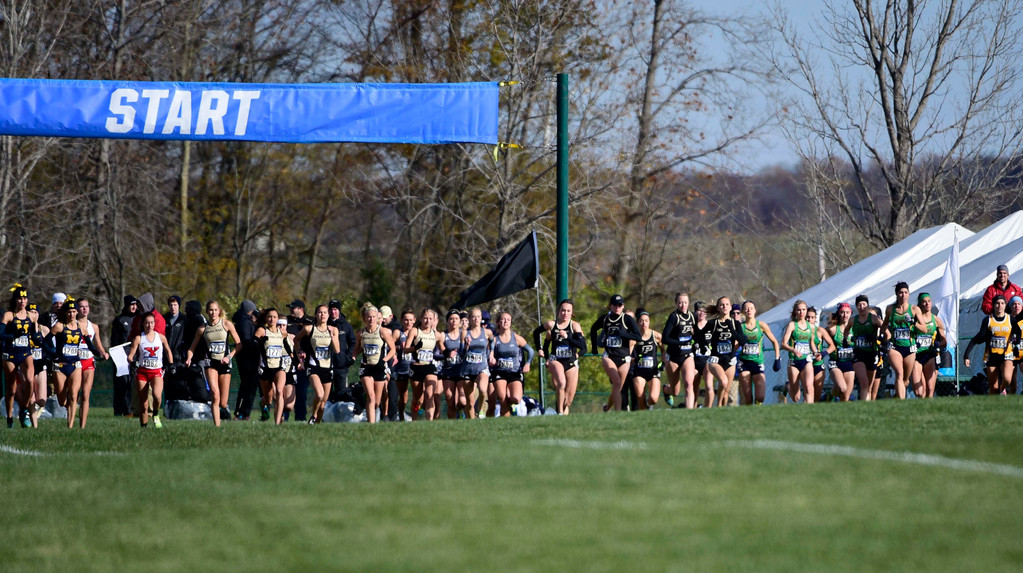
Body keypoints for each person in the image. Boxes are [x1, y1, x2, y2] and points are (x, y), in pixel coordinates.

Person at [185, 300, 242, 426]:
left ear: (219, 311)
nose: (213, 312)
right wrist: (188, 358)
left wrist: (229, 357)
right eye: (211, 310)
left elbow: (239, 345)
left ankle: (223, 412)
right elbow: (192, 348)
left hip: (225, 363)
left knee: (223, 402)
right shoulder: (202, 329)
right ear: (207, 312)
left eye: (215, 310)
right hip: (211, 363)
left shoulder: (226, 324)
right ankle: (217, 426)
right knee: (215, 395)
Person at [50, 298, 100, 429]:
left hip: (76, 365)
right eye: (69, 312)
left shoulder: (83, 328)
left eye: (74, 312)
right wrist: (52, 353)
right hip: (60, 365)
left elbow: (90, 345)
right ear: (65, 313)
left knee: (74, 395)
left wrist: (98, 353)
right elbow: (46, 342)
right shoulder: (59, 326)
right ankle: (67, 405)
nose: (72, 314)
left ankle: (70, 426)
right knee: (62, 401)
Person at [534, 299, 586, 415]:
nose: (565, 313)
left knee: (568, 400)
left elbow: (583, 346)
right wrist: (540, 349)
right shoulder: (552, 325)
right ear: (559, 311)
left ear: (572, 312)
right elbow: (536, 332)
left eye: (568, 311)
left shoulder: (575, 326)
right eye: (563, 310)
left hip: (571, 361)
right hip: (556, 360)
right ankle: (560, 413)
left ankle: (562, 415)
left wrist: (567, 337)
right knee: (561, 383)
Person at [590, 294, 641, 412]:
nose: (617, 307)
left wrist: (624, 334)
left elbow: (638, 336)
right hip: (609, 356)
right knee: (617, 382)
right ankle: (618, 411)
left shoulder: (627, 319)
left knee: (618, 387)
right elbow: (593, 329)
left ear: (623, 306)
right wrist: (594, 348)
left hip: (624, 357)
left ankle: (608, 408)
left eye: (620, 305)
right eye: (614, 305)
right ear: (610, 306)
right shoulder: (605, 319)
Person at [293, 304, 341, 424]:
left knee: (323, 403)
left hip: (328, 368)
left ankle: (317, 424)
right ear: (316, 314)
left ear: (328, 315)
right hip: (313, 367)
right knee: (319, 394)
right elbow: (296, 339)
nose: (322, 315)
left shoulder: (334, 329)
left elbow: (337, 350)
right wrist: (299, 351)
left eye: (325, 312)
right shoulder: (309, 329)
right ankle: (313, 415)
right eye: (320, 312)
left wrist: (332, 336)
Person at [963, 294, 1020, 394]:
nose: (1000, 305)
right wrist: (966, 356)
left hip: (1006, 355)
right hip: (991, 356)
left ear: (1005, 305)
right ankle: (996, 406)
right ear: (993, 305)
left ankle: (1003, 388)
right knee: (993, 387)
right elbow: (977, 338)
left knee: (1007, 379)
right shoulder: (988, 320)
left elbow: (1018, 332)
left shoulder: (1010, 320)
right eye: (997, 303)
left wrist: (1016, 345)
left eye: (1002, 303)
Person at [126, 313, 173, 428]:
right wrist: (132, 362)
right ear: (143, 323)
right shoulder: (139, 338)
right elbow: (130, 355)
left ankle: (156, 414)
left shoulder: (160, 337)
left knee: (157, 396)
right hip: (142, 371)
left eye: (152, 322)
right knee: (144, 404)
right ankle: (144, 427)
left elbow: (168, 351)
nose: (149, 325)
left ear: (154, 324)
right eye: (147, 323)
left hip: (156, 371)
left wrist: (171, 364)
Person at [353, 304, 395, 424]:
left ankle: (370, 414)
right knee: (370, 396)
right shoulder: (361, 333)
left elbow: (393, 349)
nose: (371, 319)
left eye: (373, 317)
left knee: (376, 402)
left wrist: (384, 360)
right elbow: (357, 348)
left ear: (377, 318)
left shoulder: (383, 332)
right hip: (366, 368)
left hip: (379, 367)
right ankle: (371, 425)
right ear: (365, 318)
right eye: (368, 317)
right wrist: (353, 356)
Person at [2, 284, 37, 428]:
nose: (22, 301)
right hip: (10, 354)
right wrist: (12, 335)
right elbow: (0, 334)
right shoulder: (9, 315)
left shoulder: (31, 316)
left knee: (30, 381)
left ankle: (24, 409)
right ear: (15, 300)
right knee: (12, 389)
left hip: (25, 352)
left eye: (24, 298)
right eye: (19, 298)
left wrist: (42, 342)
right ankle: (10, 417)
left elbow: (34, 336)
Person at [736, 300, 782, 405]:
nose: (749, 310)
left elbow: (775, 341)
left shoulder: (761, 325)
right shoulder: (741, 327)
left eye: (751, 308)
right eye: (746, 308)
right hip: (744, 363)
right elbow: (735, 345)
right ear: (743, 311)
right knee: (748, 398)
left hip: (758, 362)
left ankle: (757, 408)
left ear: (755, 310)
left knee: (760, 397)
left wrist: (777, 358)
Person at [489, 311, 533, 417]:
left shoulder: (516, 338)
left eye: (508, 319)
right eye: (503, 319)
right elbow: (488, 353)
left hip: (514, 372)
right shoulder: (494, 339)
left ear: (511, 322)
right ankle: (506, 422)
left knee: (516, 399)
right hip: (499, 372)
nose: (505, 322)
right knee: (503, 399)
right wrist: (491, 358)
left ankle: (511, 402)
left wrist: (528, 363)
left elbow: (530, 351)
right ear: (498, 322)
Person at [75, 297, 110, 428]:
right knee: (73, 394)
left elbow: (98, 345)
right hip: (75, 362)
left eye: (87, 306)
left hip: (89, 362)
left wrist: (104, 353)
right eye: (82, 306)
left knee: (85, 394)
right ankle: (71, 421)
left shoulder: (94, 327)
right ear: (77, 309)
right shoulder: (72, 324)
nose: (84, 309)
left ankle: (82, 426)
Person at [882, 282, 919, 399]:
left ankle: (897, 397)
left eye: (905, 293)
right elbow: (884, 326)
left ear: (909, 294)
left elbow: (924, 328)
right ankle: (902, 404)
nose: (903, 295)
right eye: (901, 293)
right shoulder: (890, 309)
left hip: (909, 347)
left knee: (905, 380)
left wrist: (913, 322)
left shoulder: (914, 309)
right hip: (895, 347)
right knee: (899, 373)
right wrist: (887, 336)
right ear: (896, 294)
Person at [404, 308, 442, 421]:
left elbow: (443, 349)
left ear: (434, 320)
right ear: (421, 318)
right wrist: (416, 347)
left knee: (430, 394)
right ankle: (415, 421)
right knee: (418, 399)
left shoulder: (436, 334)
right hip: (416, 367)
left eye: (430, 318)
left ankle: (429, 423)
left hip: (430, 366)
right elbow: (406, 350)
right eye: (425, 318)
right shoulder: (415, 331)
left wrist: (449, 353)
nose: (427, 321)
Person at [661, 292, 698, 409]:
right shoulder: (674, 317)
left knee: (688, 384)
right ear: (676, 303)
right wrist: (680, 343)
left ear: (688, 303)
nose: (683, 305)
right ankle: (666, 390)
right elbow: (665, 338)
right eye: (680, 302)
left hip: (687, 355)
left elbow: (699, 332)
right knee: (675, 391)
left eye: (685, 302)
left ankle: (689, 412)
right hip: (673, 357)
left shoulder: (692, 316)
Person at [845, 295, 884, 401]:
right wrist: (847, 340)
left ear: (867, 305)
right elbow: (846, 330)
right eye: (859, 305)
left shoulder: (874, 319)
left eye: (864, 304)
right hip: (858, 354)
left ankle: (868, 407)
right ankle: (864, 404)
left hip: (872, 354)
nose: (861, 307)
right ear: (856, 307)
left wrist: (879, 338)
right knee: (864, 383)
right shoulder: (853, 320)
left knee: (869, 387)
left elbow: (886, 331)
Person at [255, 308, 290, 424]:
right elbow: (252, 344)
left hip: (279, 367)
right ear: (266, 318)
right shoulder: (262, 330)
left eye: (274, 317)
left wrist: (295, 356)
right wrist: (259, 342)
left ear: (277, 319)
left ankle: (278, 422)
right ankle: (263, 403)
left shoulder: (282, 333)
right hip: (265, 368)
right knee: (269, 399)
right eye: (269, 317)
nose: (272, 319)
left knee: (280, 391)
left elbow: (288, 347)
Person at [707, 297, 744, 407]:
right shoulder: (712, 323)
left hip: (730, 360)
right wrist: (702, 345)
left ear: (730, 307)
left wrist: (731, 328)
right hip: (716, 360)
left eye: (727, 304)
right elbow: (700, 336)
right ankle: (718, 406)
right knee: (723, 382)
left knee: (726, 392)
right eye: (722, 305)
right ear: (718, 308)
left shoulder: (735, 323)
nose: (724, 306)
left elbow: (742, 340)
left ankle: (721, 409)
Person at [780, 299, 819, 404]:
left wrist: (816, 353)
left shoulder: (811, 327)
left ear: (806, 311)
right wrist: (793, 350)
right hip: (793, 362)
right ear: (795, 312)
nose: (801, 312)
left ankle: (809, 411)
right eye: (799, 310)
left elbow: (811, 344)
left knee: (808, 387)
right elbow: (783, 344)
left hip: (807, 360)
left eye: (803, 309)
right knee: (796, 397)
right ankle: (788, 387)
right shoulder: (792, 325)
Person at [459, 308, 493, 419]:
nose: (476, 319)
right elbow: (461, 355)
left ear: (481, 318)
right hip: (467, 369)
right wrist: (466, 346)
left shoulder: (487, 333)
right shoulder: (464, 333)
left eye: (478, 316)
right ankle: (472, 423)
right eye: (473, 316)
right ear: (469, 319)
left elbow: (492, 342)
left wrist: (491, 354)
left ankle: (481, 410)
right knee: (469, 402)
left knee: (483, 390)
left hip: (481, 367)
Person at [911, 293, 946, 399]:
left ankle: (927, 412)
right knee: (919, 391)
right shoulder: (915, 320)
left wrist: (938, 344)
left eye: (929, 301)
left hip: (930, 355)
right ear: (920, 304)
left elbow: (944, 341)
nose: (927, 304)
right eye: (924, 301)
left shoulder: (936, 320)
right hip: (917, 356)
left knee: (930, 390)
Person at [285, 300, 314, 421]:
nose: (291, 310)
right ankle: (283, 418)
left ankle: (300, 418)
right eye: (290, 307)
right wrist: (287, 335)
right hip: (289, 362)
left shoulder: (310, 321)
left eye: (294, 308)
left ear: (301, 309)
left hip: (306, 362)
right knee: (287, 392)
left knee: (302, 392)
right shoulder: (287, 321)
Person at [630, 309, 664, 409]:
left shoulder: (656, 336)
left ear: (649, 322)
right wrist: (634, 359)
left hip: (653, 371)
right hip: (639, 372)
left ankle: (649, 405)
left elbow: (664, 350)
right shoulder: (634, 338)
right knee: (641, 399)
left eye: (646, 320)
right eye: (641, 321)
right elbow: (628, 356)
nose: (644, 323)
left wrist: (663, 362)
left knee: (653, 399)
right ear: (637, 323)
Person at [110, 295, 137, 416]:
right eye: (131, 304)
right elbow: (114, 342)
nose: (134, 307)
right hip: (121, 356)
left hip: (134, 356)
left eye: (135, 304)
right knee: (121, 383)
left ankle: (130, 410)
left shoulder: (139, 319)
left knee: (132, 383)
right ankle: (119, 410)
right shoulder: (119, 320)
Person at [232, 300, 259, 419]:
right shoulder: (244, 322)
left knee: (246, 385)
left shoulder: (240, 320)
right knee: (249, 386)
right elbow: (247, 340)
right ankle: (243, 412)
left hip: (244, 357)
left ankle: (241, 411)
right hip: (248, 357)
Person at [26, 304, 50, 427]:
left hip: (41, 366)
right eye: (31, 312)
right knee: (31, 398)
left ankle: (29, 410)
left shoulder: (44, 330)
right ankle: (34, 425)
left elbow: (51, 345)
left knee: (41, 401)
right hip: (27, 366)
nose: (33, 314)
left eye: (35, 312)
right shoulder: (23, 329)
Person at [827, 303, 856, 401]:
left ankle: (841, 413)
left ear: (851, 313)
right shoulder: (833, 329)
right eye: (842, 312)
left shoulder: (855, 328)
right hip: (835, 363)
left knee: (845, 396)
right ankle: (830, 395)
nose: (845, 315)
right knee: (842, 388)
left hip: (849, 363)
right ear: (838, 314)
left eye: (847, 312)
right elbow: (820, 335)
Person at [391, 309, 417, 421]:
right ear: (402, 320)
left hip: (416, 367)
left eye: (411, 320)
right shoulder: (398, 333)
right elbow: (389, 347)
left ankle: (416, 415)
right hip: (401, 368)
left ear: (414, 321)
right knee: (404, 398)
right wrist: (398, 348)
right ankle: (401, 415)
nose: (408, 322)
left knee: (418, 397)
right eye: (406, 320)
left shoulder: (417, 333)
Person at [327, 299, 356, 394]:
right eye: (331, 309)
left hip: (341, 366)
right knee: (325, 396)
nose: (333, 312)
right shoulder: (323, 324)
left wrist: (347, 357)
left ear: (339, 310)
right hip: (325, 365)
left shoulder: (346, 326)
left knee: (342, 394)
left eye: (335, 309)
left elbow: (353, 342)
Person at [806, 307, 835, 402]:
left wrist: (823, 353)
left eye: (812, 317)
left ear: (815, 319)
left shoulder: (820, 330)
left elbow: (832, 346)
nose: (809, 320)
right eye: (807, 317)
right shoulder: (799, 331)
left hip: (818, 364)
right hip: (805, 364)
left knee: (816, 396)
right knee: (807, 392)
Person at [439, 309, 464, 419]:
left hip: (461, 371)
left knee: (462, 401)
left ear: (460, 321)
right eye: (451, 319)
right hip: (448, 370)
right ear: (447, 321)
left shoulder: (464, 334)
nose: (454, 321)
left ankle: (461, 412)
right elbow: (441, 348)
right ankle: (452, 423)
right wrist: (447, 353)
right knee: (450, 399)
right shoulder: (443, 335)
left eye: (456, 319)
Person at [691, 301, 713, 407]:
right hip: (694, 361)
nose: (701, 313)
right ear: (695, 312)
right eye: (699, 310)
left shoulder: (711, 326)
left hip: (707, 361)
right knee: (694, 387)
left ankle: (708, 409)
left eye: (704, 310)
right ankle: (693, 409)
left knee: (709, 386)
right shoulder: (691, 327)